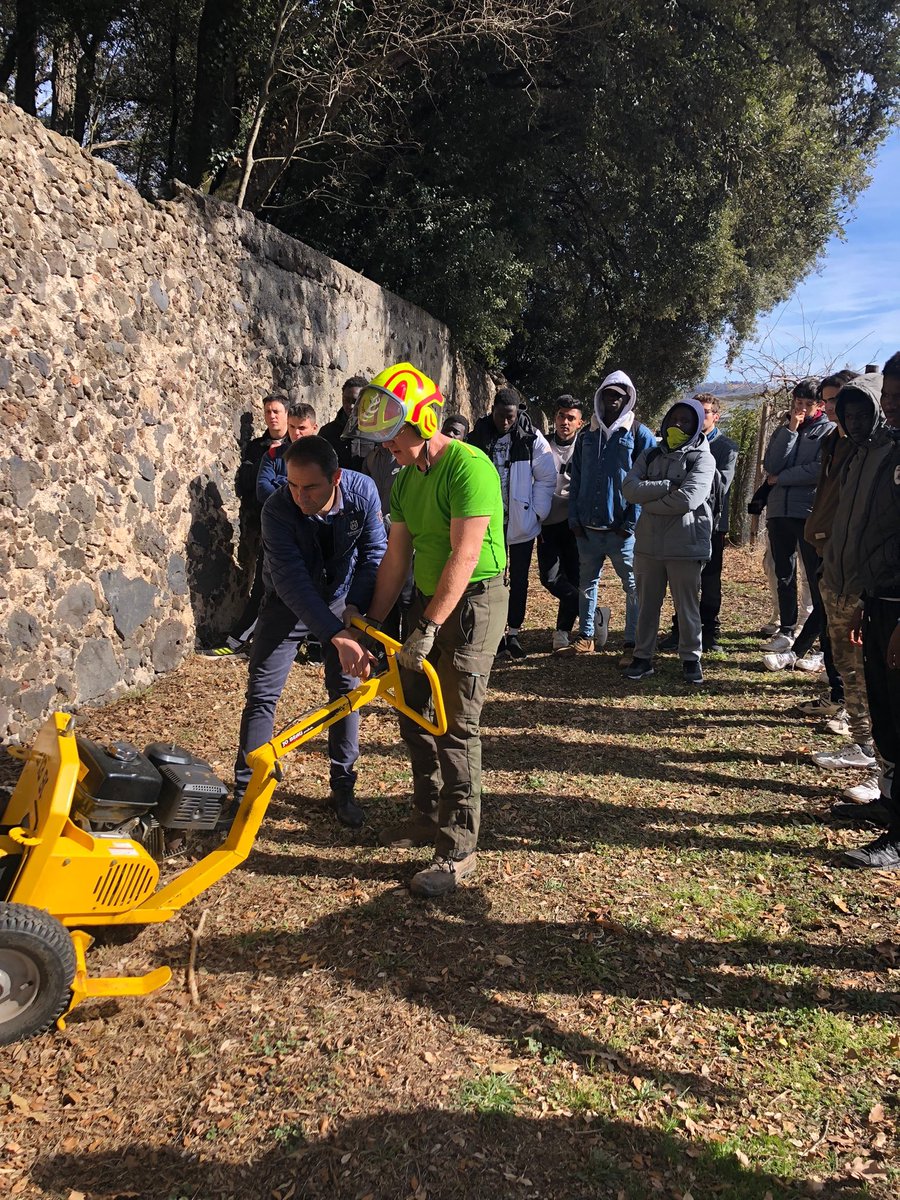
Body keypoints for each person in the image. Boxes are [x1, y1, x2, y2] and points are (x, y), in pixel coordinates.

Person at [342, 361, 507, 897]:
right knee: (412, 711)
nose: (386, 447)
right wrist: (372, 622)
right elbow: (396, 558)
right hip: (428, 603)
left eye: (393, 436)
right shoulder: (406, 480)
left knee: (457, 724)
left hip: (474, 603)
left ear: (424, 422)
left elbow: (465, 554)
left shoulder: (469, 467)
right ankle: (427, 812)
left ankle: (458, 849)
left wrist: (431, 626)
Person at [231, 435, 387, 830]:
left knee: (346, 694)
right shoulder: (277, 508)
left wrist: (355, 610)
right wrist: (336, 633)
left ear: (336, 478)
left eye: (311, 487)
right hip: (287, 603)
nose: (300, 496)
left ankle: (343, 786)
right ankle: (246, 794)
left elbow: (374, 553)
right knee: (261, 694)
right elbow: (291, 580)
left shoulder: (362, 492)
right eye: (292, 485)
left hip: (341, 600)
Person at [834, 355, 900, 869]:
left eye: (899, 400)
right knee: (888, 715)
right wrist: (863, 600)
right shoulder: (885, 451)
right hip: (878, 600)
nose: (891, 408)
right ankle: (891, 803)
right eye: (890, 398)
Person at [558, 370, 656, 660]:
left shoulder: (638, 433)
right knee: (586, 585)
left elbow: (647, 480)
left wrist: (630, 523)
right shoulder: (588, 435)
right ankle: (586, 637)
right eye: (608, 394)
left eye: (618, 396)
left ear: (628, 399)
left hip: (621, 531)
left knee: (633, 587)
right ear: (599, 397)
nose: (612, 399)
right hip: (587, 530)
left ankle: (632, 643)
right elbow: (576, 477)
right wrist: (574, 519)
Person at [621, 398, 716, 684]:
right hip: (648, 545)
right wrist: (666, 486)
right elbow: (629, 489)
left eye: (685, 421)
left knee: (686, 606)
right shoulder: (650, 454)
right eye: (674, 419)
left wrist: (649, 502)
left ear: (696, 426)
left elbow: (689, 499)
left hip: (686, 544)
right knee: (646, 604)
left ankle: (691, 659)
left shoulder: (703, 458)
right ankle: (642, 657)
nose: (678, 425)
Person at [468, 387, 555, 659]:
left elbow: (546, 477)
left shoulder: (531, 438)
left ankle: (514, 633)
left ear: (518, 414)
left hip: (521, 523)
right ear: (492, 410)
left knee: (518, 580)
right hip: (487, 524)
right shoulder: (477, 436)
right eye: (501, 415)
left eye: (511, 417)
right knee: (490, 580)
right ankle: (492, 635)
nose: (506, 422)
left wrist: (536, 513)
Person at [205, 393, 289, 657]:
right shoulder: (258, 448)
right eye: (268, 412)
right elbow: (253, 485)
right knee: (265, 584)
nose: (272, 416)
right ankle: (241, 640)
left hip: (291, 529)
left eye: (276, 411)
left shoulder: (298, 449)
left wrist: (278, 483)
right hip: (262, 524)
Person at [658, 393, 737, 654]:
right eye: (696, 411)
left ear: (716, 416)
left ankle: (710, 632)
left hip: (713, 523)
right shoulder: (678, 443)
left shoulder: (726, 447)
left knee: (710, 581)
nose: (700, 416)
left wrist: (693, 475)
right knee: (683, 580)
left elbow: (720, 484)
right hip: (683, 521)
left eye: (705, 412)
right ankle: (679, 630)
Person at [762, 379, 834, 653]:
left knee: (814, 576)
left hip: (808, 513)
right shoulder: (784, 429)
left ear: (820, 405)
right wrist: (791, 430)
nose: (801, 408)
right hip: (778, 511)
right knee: (784, 573)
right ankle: (786, 629)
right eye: (797, 402)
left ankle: (817, 636)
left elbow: (818, 469)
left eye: (808, 404)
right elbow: (771, 464)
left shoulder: (827, 430)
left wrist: (781, 478)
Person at [537, 395, 584, 651]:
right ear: (555, 418)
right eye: (561, 416)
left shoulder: (586, 446)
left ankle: (562, 632)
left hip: (575, 521)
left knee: (574, 576)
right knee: (550, 577)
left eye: (570, 418)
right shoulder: (541, 444)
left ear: (579, 423)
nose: (565, 422)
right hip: (547, 521)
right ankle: (590, 609)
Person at [256, 402, 319, 501]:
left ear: (314, 428)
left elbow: (323, 490)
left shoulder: (324, 455)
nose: (296, 433)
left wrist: (279, 481)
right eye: (292, 427)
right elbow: (263, 491)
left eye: (301, 428)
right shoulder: (273, 455)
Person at [320, 376, 367, 469]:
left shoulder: (376, 433)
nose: (350, 406)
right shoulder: (328, 432)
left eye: (355, 401)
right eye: (346, 400)